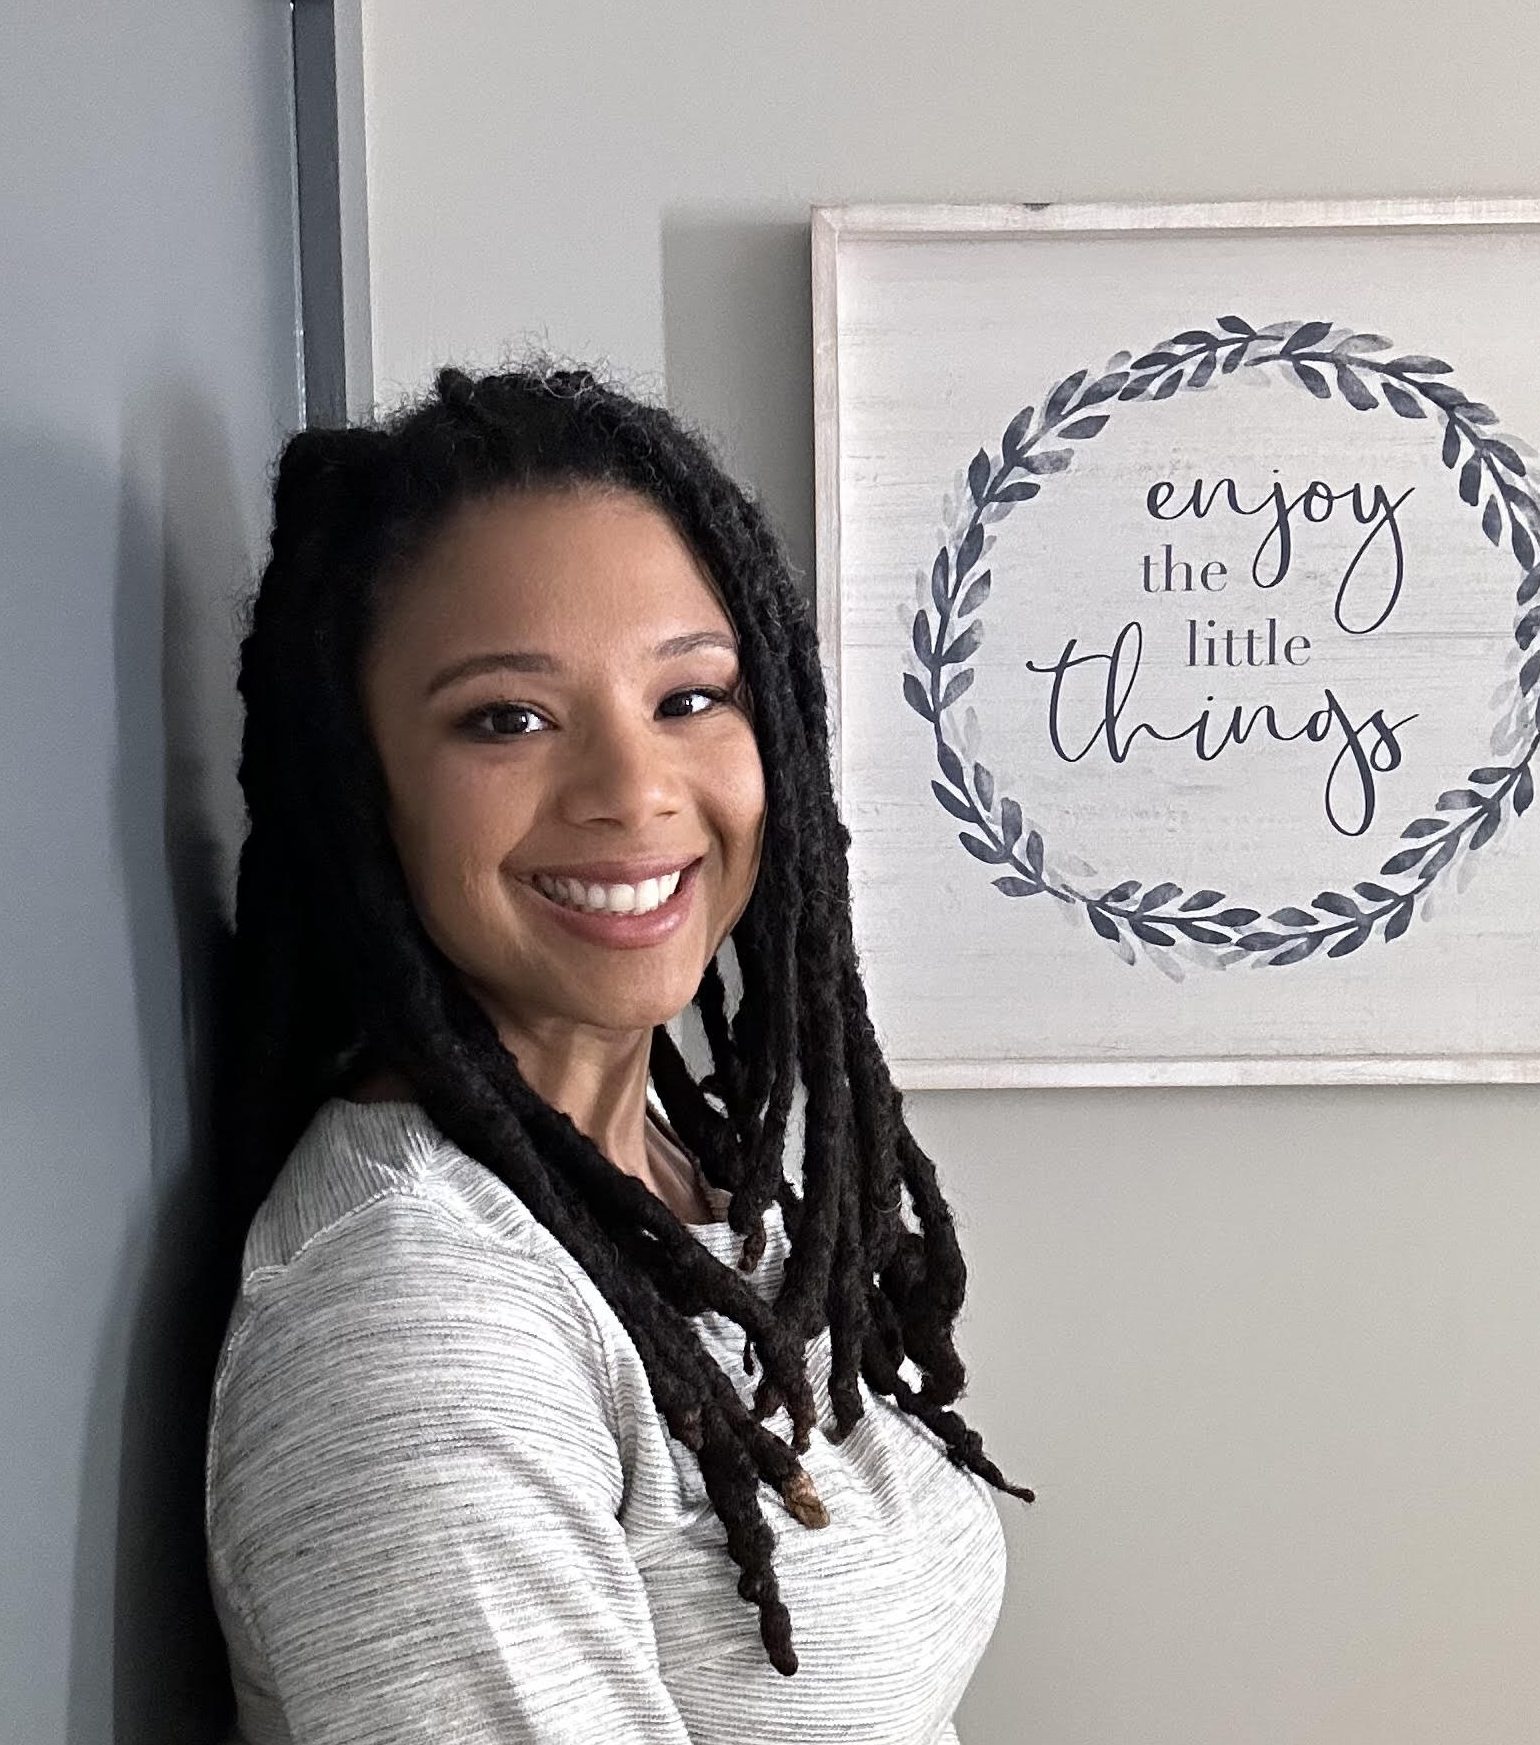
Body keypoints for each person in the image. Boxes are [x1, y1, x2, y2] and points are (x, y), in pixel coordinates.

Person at [203, 362, 1034, 1744]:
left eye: (689, 697)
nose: (633, 790)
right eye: (506, 718)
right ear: (363, 783)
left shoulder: (674, 1169)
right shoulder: (419, 1323)